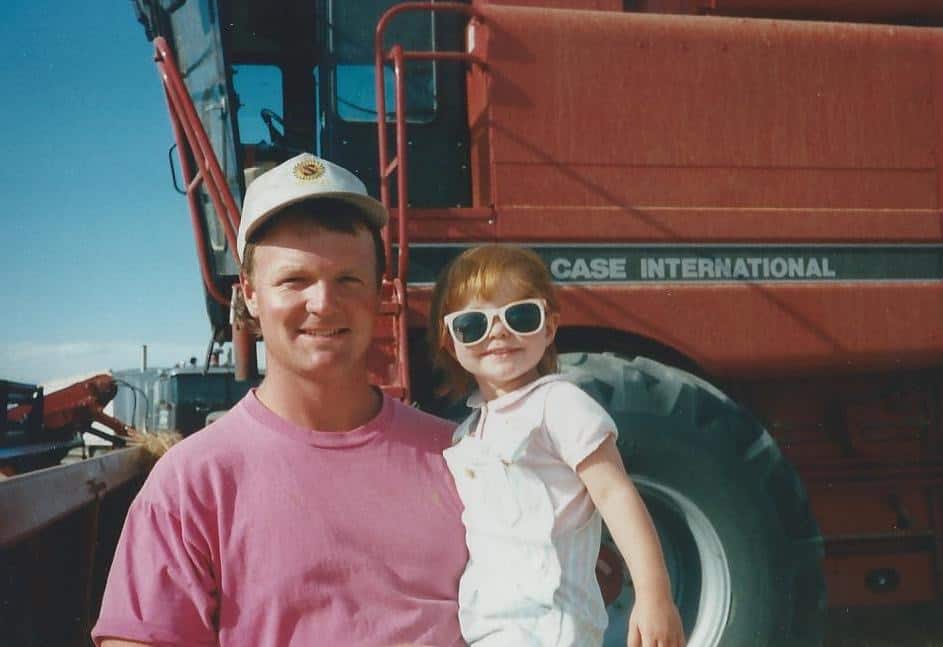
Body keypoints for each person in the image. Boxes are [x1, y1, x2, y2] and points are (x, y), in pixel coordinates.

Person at [92, 154, 468, 647]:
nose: (324, 303)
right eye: (295, 280)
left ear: (378, 292)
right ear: (249, 293)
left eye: (348, 280)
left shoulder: (464, 460)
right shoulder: (192, 484)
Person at [429, 245, 686, 647]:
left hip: (550, 626)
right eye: (472, 325)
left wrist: (654, 596)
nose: (498, 332)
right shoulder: (469, 431)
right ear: (450, 342)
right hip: (491, 626)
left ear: (548, 328)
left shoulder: (559, 405)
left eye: (520, 316)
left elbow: (615, 494)